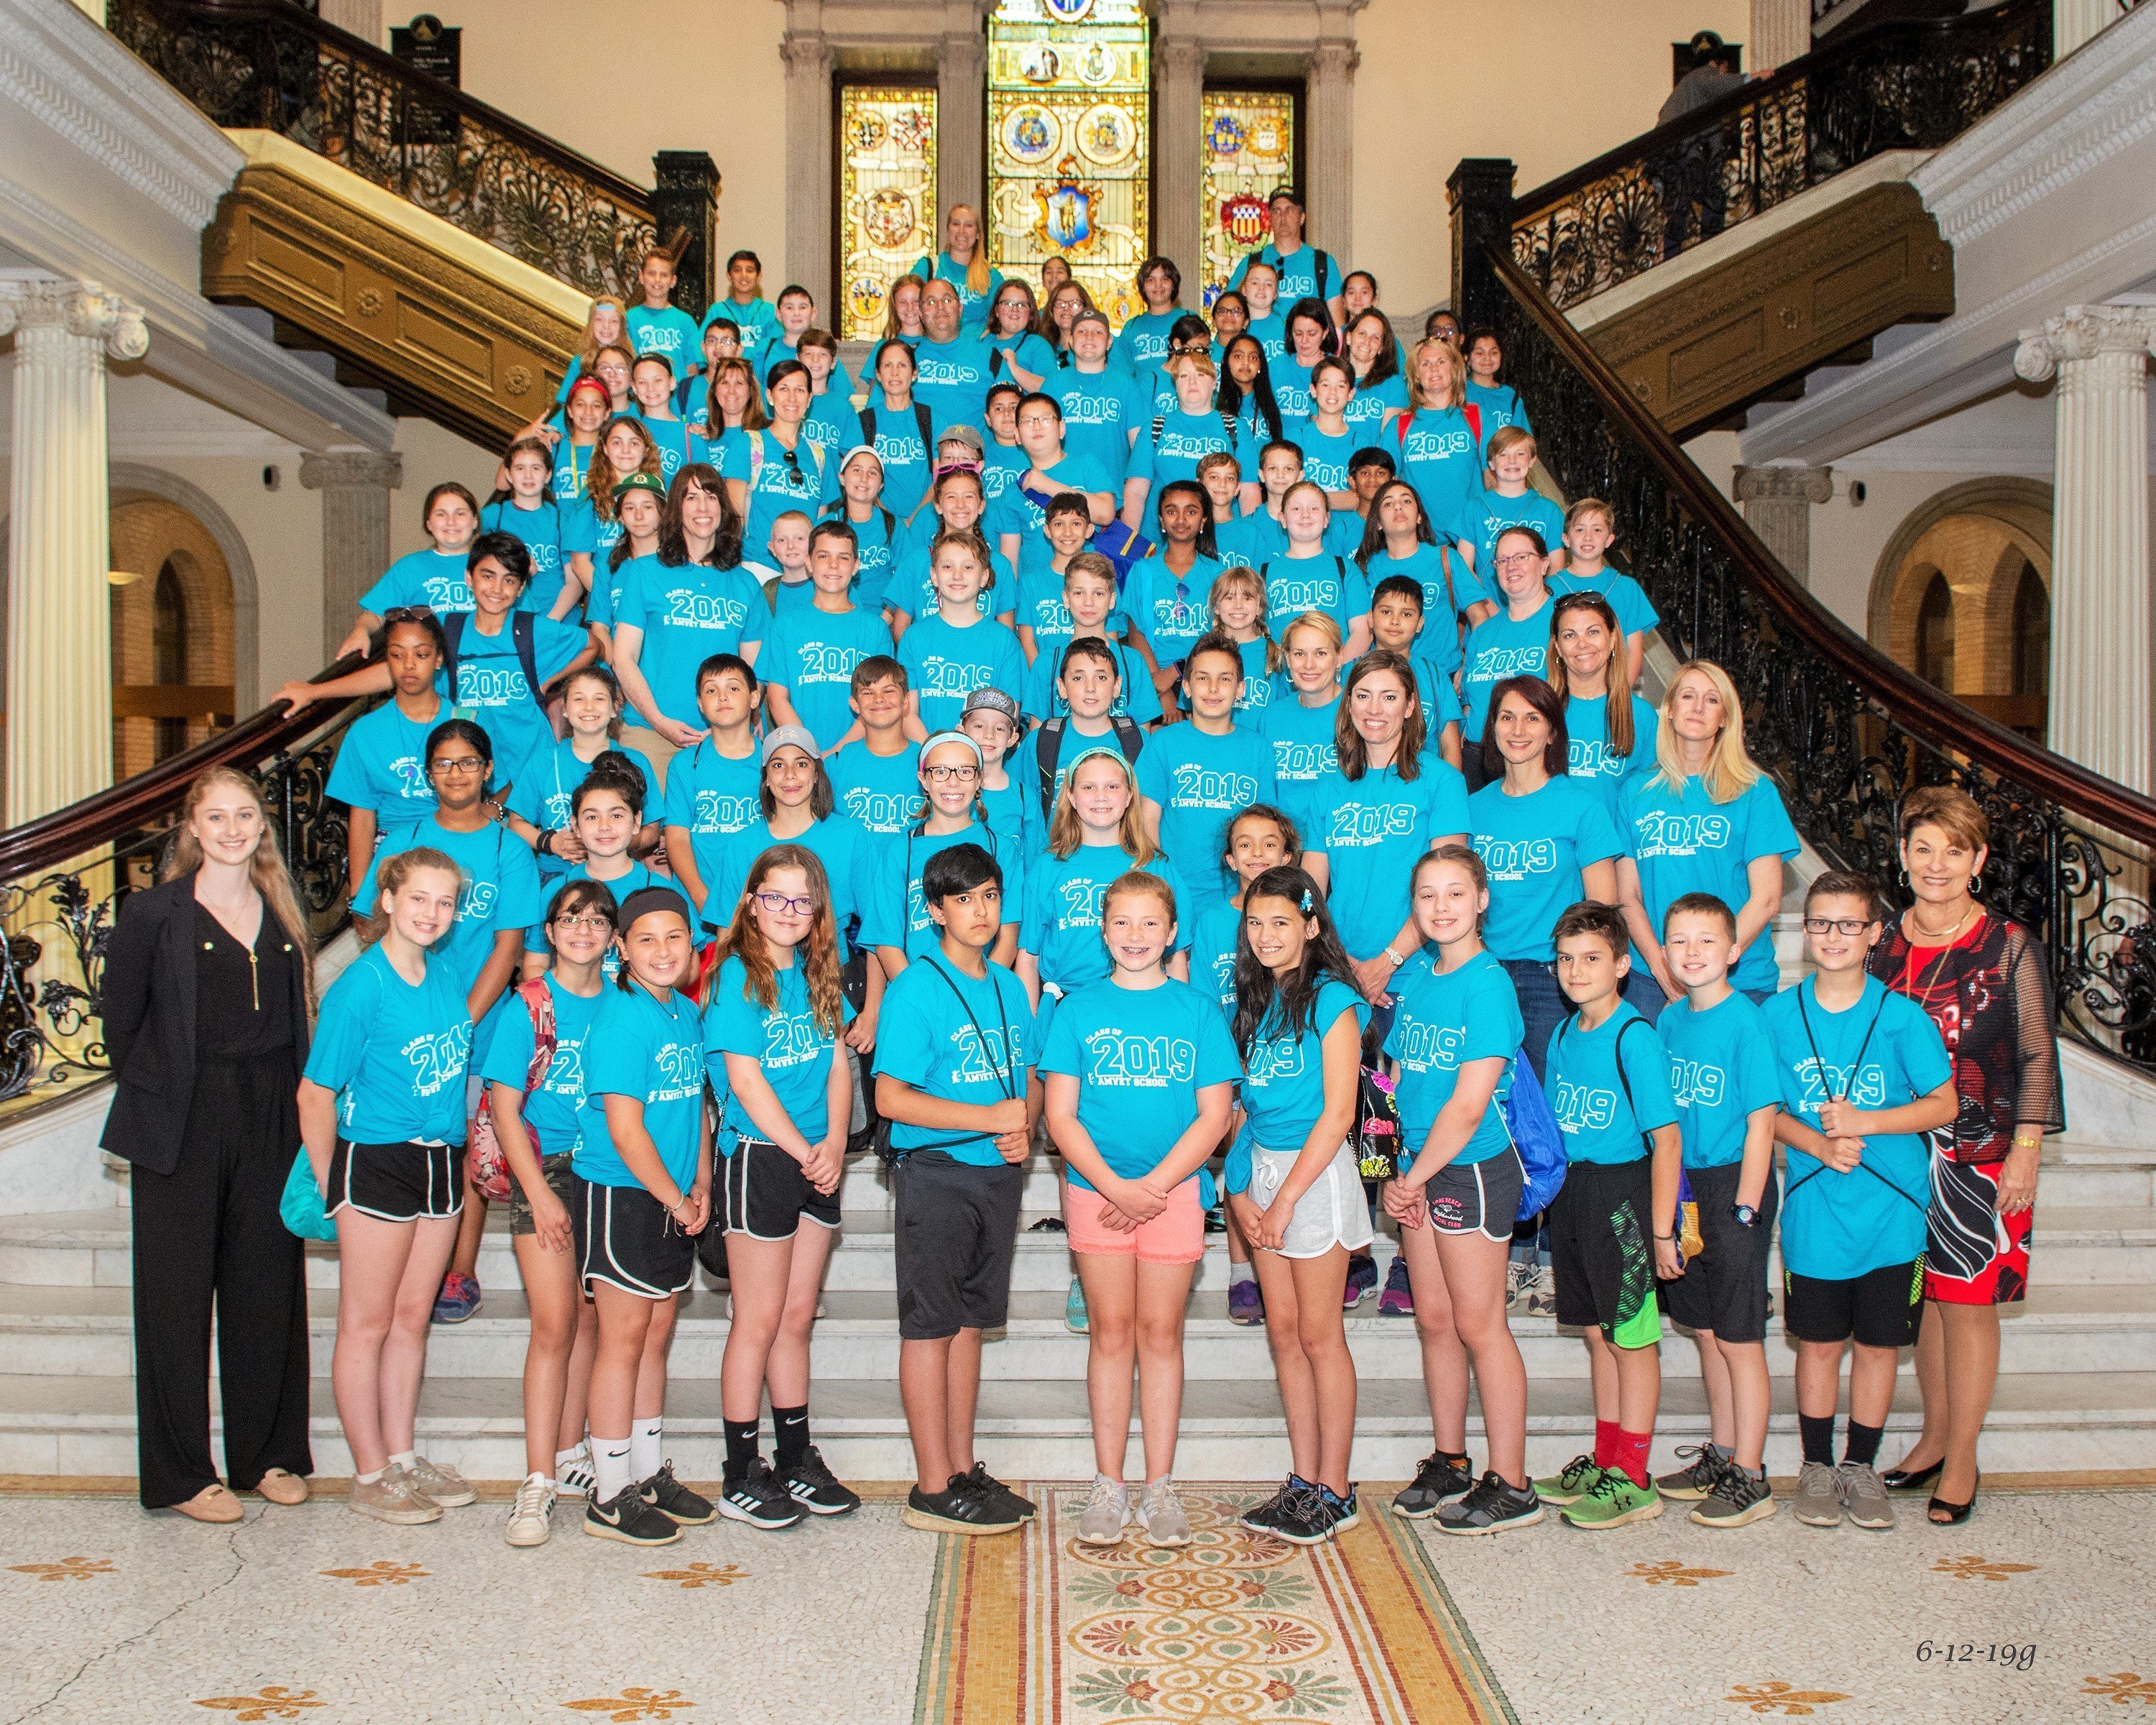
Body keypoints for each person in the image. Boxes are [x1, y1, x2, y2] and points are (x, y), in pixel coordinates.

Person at [101, 768, 317, 1523]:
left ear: (263, 826)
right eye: (216, 816)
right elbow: (121, 1029)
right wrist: (167, 1096)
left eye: (246, 815)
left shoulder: (283, 912)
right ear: (191, 827)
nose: (232, 829)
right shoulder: (151, 914)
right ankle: (183, 1473)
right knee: (176, 1298)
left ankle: (270, 1455)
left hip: (271, 1116)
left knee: (267, 1288)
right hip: (184, 1119)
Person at [1869, 787, 2063, 1524]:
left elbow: (2038, 1056)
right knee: (1927, 1304)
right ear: (1903, 857)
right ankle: (1933, 1438)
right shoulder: (1882, 942)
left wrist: (2027, 1151)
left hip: (1983, 1151)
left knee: (1970, 1302)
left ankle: (1966, 1457)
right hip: (1898, 1151)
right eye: (1923, 848)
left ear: (1978, 859)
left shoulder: (2008, 943)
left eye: (1954, 849)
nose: (1937, 864)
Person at [1042, 872, 1238, 1547]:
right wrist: (1114, 1188)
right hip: (1097, 1191)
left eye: (1150, 924)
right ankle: (1109, 1483)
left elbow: (1215, 1116)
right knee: (1110, 1334)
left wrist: (1151, 1187)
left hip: (1173, 1193)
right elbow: (1060, 1117)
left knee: (1160, 1336)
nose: (1136, 937)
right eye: (1121, 923)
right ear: (1103, 929)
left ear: (1173, 931)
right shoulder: (1077, 1010)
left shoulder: (1198, 1011)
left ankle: (1159, 1486)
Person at [1764, 873, 1956, 1534]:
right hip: (1817, 1212)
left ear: (1876, 934)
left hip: (1893, 1211)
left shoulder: (1903, 1017)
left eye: (1850, 925)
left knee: (1877, 1347)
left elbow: (1944, 1104)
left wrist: (1865, 1122)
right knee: (1817, 1345)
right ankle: (1817, 1466)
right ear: (1805, 930)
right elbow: (1762, 1113)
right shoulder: (1777, 1015)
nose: (1834, 937)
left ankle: (1860, 1466)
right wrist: (1817, 1144)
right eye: (1820, 923)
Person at [298, 847, 476, 1525]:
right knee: (366, 1325)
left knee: (410, 1320)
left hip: (439, 1163)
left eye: (446, 902)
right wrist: (330, 1184)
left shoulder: (446, 972)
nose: (433, 913)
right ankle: (369, 1471)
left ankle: (402, 1459)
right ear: (390, 900)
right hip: (375, 1160)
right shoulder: (361, 986)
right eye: (420, 898)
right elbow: (315, 1093)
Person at [875, 842, 1038, 1535]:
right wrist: (986, 1119)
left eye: (990, 897)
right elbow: (889, 1097)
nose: (979, 911)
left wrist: (1023, 1123)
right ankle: (931, 1485)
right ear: (936, 909)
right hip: (937, 1173)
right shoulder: (917, 986)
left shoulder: (1006, 984)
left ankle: (963, 1467)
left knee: (973, 1323)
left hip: (995, 1176)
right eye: (964, 899)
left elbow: (1024, 1075)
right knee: (932, 1326)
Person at [1381, 847, 1541, 1534]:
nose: (1440, 907)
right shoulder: (1417, 974)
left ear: (1481, 900)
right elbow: (1393, 1073)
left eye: (1455, 893)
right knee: (1435, 1321)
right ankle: (1450, 1458)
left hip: (1469, 1168)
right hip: (1416, 1164)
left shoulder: (1488, 985)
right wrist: (1391, 1164)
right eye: (1427, 895)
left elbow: (1470, 1105)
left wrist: (1411, 1178)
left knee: (1480, 1325)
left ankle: (1511, 1482)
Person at [706, 845, 863, 1526]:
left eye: (803, 901)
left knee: (797, 1318)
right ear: (750, 901)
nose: (789, 912)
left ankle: (795, 1457)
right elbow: (744, 1080)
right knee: (759, 1321)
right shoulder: (736, 975)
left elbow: (836, 1066)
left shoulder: (815, 971)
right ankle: (741, 1469)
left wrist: (832, 1143)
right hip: (762, 1157)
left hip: (815, 1158)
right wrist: (805, 1151)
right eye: (775, 898)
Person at [1227, 865, 1370, 1545]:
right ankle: (1305, 1478)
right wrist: (1240, 1195)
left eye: (1281, 922)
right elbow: (1243, 1109)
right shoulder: (1252, 1000)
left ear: (1311, 926)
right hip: (1264, 1178)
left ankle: (1336, 1489)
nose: (1266, 936)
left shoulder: (1333, 999)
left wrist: (1283, 1202)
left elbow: (1339, 1113)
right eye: (1255, 923)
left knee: (1320, 1337)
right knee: (1283, 1335)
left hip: (1315, 1179)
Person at [1532, 901, 1682, 1530]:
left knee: (1632, 1337)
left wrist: (1662, 1230)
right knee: (1596, 1332)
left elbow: (1667, 1139)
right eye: (1566, 960)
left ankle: (1635, 1476)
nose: (1576, 970)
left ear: (1622, 965)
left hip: (1623, 1196)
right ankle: (1606, 1458)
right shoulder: (1565, 1035)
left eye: (1592, 958)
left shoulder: (1634, 1035)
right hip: (1574, 1194)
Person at [1651, 893, 1782, 1530]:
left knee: (1740, 1337)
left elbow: (1762, 1125)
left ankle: (1752, 1473)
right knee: (1703, 1329)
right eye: (1679, 940)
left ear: (1734, 951)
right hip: (1684, 1186)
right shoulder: (1671, 1021)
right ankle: (1724, 1452)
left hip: (1734, 1186)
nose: (1692, 952)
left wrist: (1747, 1210)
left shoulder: (1746, 1022)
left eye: (1706, 941)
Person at [487, 879, 612, 1547]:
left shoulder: (621, 1004)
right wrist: (535, 1191)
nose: (584, 930)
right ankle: (535, 1481)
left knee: (592, 1317)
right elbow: (505, 1108)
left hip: (608, 1173)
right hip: (549, 1174)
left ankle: (571, 1455)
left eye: (597, 920)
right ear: (551, 930)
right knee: (555, 1324)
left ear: (613, 935)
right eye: (571, 919)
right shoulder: (528, 1006)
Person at [1613, 660, 1800, 1009]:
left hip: (1737, 980)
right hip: (1654, 981)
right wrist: (1662, 964)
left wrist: (1705, 968)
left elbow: (1766, 899)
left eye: (1712, 700)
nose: (1698, 707)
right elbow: (1629, 896)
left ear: (1726, 717)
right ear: (1669, 710)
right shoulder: (1635, 793)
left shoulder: (1755, 791)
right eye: (1688, 696)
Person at [1301, 648, 1471, 1019]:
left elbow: (1450, 890)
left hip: (1416, 974)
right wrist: (1337, 960)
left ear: (1411, 706)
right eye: (1363, 696)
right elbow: (1307, 892)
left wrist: (1386, 963)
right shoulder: (1329, 788)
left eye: (1389, 697)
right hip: (1339, 975)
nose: (1374, 709)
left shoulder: (1442, 781)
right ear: (1349, 704)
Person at [1468, 674, 1622, 1065]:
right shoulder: (1472, 809)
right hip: (1484, 972)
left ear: (1553, 732)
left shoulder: (1583, 806)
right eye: (1507, 718)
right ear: (1492, 728)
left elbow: (1603, 908)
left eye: (1532, 718)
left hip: (1551, 980)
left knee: (1545, 1106)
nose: (1518, 730)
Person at [614, 466, 766, 745]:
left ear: (723, 507)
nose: (703, 507)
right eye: (692, 498)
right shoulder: (644, 572)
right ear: (677, 508)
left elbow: (754, 669)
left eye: (711, 497)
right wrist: (659, 722)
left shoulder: (747, 584)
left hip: (725, 736)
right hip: (651, 731)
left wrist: (736, 722)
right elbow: (623, 658)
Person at [1138, 632, 1279, 913]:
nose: (1213, 688)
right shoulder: (1164, 743)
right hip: (1176, 894)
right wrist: (1159, 885)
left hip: (1241, 898)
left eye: (1225, 679)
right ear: (1187, 687)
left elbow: (1267, 828)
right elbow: (1147, 821)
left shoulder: (1258, 749)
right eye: (1203, 678)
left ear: (1240, 689)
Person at [862, 732, 1023, 972]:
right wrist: (920, 997)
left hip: (980, 994)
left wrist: (977, 991)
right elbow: (887, 943)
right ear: (923, 780)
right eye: (940, 771)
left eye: (965, 771)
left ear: (979, 780)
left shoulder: (1002, 849)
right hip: (918, 996)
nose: (953, 782)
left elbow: (1008, 940)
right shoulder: (900, 851)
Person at [325, 609, 446, 896]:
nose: (409, 665)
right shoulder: (364, 732)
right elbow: (362, 815)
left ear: (439, 659)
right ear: (387, 661)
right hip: (391, 856)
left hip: (453, 845)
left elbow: (500, 783)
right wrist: (359, 894)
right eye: (397, 654)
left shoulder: (465, 721)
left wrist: (492, 812)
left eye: (421, 654)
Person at [503, 664, 660, 883]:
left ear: (615, 708)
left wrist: (607, 844)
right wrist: (550, 843)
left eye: (599, 699)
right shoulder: (543, 761)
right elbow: (516, 822)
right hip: (555, 873)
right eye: (579, 699)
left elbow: (652, 831)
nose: (589, 707)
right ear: (565, 709)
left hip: (616, 873)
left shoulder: (636, 762)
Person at [757, 520, 895, 752]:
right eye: (823, 556)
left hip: (859, 753)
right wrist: (807, 750)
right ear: (809, 563)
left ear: (856, 565)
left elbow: (879, 702)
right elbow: (777, 698)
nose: (833, 565)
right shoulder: (785, 625)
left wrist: (837, 752)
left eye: (843, 557)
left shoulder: (875, 629)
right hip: (800, 755)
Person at [520, 761, 663, 974]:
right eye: (592, 817)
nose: (604, 826)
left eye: (616, 816)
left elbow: (688, 969)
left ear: (636, 821)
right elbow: (535, 964)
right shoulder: (557, 889)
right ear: (575, 825)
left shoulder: (660, 890)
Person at [661, 654, 766, 922]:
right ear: (700, 704)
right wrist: (701, 898)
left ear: (754, 698)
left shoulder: (773, 763)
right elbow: (677, 838)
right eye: (711, 690)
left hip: (763, 906)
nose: (723, 697)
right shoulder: (685, 765)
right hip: (698, 904)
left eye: (733, 688)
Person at [895, 532, 1027, 733]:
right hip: (928, 756)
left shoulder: (1004, 641)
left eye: (968, 567)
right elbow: (908, 714)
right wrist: (936, 752)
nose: (957, 575)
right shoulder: (914, 638)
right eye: (948, 567)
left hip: (981, 759)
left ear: (984, 577)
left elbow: (1008, 715)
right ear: (933, 576)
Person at [1546, 592, 1657, 826]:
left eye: (1593, 632)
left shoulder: (1642, 716)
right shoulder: (1540, 712)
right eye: (1569, 635)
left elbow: (1649, 804)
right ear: (1557, 646)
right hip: (1550, 854)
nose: (1582, 644)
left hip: (1616, 855)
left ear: (1614, 638)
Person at [1460, 526, 1557, 786]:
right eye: (1502, 561)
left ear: (1545, 564)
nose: (1510, 566)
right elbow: (1470, 704)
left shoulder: (1562, 624)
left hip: (1534, 757)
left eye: (1521, 557)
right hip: (1477, 760)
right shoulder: (1483, 633)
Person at [337, 482, 479, 657]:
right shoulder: (409, 567)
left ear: (474, 520)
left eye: (460, 513)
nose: (451, 522)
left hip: (484, 670)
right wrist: (361, 630)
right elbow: (375, 614)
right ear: (429, 523)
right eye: (441, 514)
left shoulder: (492, 564)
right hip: (427, 675)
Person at [1122, 351, 1261, 530]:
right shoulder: (1155, 427)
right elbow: (1136, 492)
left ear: (1214, 383)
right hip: (1161, 541)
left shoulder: (1236, 428)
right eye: (1184, 376)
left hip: (1219, 538)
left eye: (1200, 375)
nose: (1192, 382)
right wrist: (1128, 544)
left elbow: (1249, 492)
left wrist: (1247, 541)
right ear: (1175, 383)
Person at [721, 359, 831, 572]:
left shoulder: (819, 455)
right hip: (757, 567)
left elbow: (820, 523)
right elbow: (734, 517)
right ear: (770, 396)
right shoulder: (748, 444)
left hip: (804, 573)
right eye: (783, 389)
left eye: (799, 390)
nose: (792, 398)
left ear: (809, 399)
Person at [1549, 500, 1657, 686]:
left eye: (1597, 530)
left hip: (1613, 687)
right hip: (1562, 690)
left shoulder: (1627, 587)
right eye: (1580, 530)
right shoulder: (1549, 588)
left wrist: (1618, 697)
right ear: (1566, 539)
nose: (1588, 537)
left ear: (1609, 540)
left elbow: (1634, 651)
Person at [483, 436, 589, 621]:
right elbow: (471, 561)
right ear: (508, 474)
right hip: (507, 621)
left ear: (548, 475)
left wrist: (549, 623)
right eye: (520, 468)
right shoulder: (494, 516)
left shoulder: (561, 520)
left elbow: (575, 583)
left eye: (536, 468)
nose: (528, 475)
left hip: (558, 620)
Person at [1257, 481, 1370, 654]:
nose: (1305, 515)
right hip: (1280, 677)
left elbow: (1362, 633)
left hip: (1335, 676)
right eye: (1296, 509)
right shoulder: (1263, 573)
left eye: (1314, 509)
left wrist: (1335, 667)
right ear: (1283, 519)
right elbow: (1255, 634)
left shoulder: (1346, 569)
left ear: (1326, 519)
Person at [1389, 338, 1488, 536]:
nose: (1434, 369)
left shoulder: (1476, 416)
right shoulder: (1400, 424)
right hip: (1419, 538)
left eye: (1441, 362)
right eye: (1425, 364)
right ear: (1416, 376)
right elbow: (1387, 482)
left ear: (1454, 369)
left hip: (1471, 536)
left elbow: (1494, 476)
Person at [1365, 575, 1466, 765]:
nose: (1395, 621)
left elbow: (1450, 748)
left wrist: (1449, 792)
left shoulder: (1435, 676)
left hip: (1424, 786)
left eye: (1406, 614)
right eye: (1386, 612)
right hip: (1366, 789)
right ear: (1370, 618)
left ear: (1420, 624)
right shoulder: (1351, 673)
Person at [827, 656, 922, 837]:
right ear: (855, 704)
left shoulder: (927, 763)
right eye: (868, 693)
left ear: (906, 701)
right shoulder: (837, 765)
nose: (879, 699)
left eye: (889, 691)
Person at [1261, 611, 1345, 814]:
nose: (1309, 665)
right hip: (1287, 841)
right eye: (1299, 654)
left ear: (1339, 658)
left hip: (1341, 840)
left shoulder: (1359, 712)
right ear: (1288, 659)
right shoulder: (1272, 718)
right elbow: (1265, 795)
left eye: (1320, 653)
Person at [1455, 428, 1565, 581]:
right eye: (1503, 454)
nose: (1512, 461)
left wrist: (1539, 602)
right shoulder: (1475, 508)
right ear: (1491, 463)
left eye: (1520, 454)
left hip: (1536, 601)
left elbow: (1557, 568)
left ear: (1532, 460)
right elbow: (1464, 570)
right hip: (1486, 602)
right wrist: (1484, 604)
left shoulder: (1549, 510)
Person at [1228, 186, 1345, 323]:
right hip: (1259, 342)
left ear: (1302, 218)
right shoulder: (1251, 263)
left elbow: (1338, 325)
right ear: (1270, 219)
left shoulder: (1322, 264)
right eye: (1277, 211)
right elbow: (1229, 311)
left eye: (1289, 209)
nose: (1283, 216)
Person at [1207, 564, 1281, 722]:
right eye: (1229, 598)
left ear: (1260, 607)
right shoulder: (1204, 653)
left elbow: (1287, 709)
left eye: (1247, 598)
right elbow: (1193, 711)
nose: (1238, 605)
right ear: (1216, 607)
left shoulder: (1275, 655)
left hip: (1261, 744)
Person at [914, 204, 1003, 330]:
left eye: (969, 225)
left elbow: (999, 322)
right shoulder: (927, 267)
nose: (961, 231)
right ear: (948, 230)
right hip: (936, 345)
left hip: (976, 347)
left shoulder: (992, 276)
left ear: (978, 233)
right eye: (956, 224)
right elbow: (909, 307)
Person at [625, 245, 699, 371]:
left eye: (664, 275)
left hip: (677, 390)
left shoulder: (686, 322)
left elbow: (691, 369)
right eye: (652, 274)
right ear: (641, 277)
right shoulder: (629, 318)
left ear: (673, 281)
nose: (657, 280)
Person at [1462, 328, 1529, 436]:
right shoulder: (1459, 392)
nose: (1487, 358)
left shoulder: (1510, 396)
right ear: (1467, 358)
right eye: (1480, 353)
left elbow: (1524, 438)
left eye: (1494, 352)